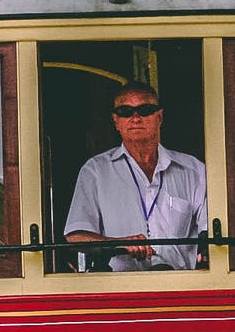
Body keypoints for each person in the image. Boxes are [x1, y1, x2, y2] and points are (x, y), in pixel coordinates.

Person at [63, 84, 207, 272]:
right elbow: (76, 236)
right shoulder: (96, 170)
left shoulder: (193, 169)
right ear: (116, 121)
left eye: (145, 110)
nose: (136, 118)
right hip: (121, 289)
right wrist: (119, 244)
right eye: (126, 111)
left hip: (179, 285)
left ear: (159, 117)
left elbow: (211, 234)